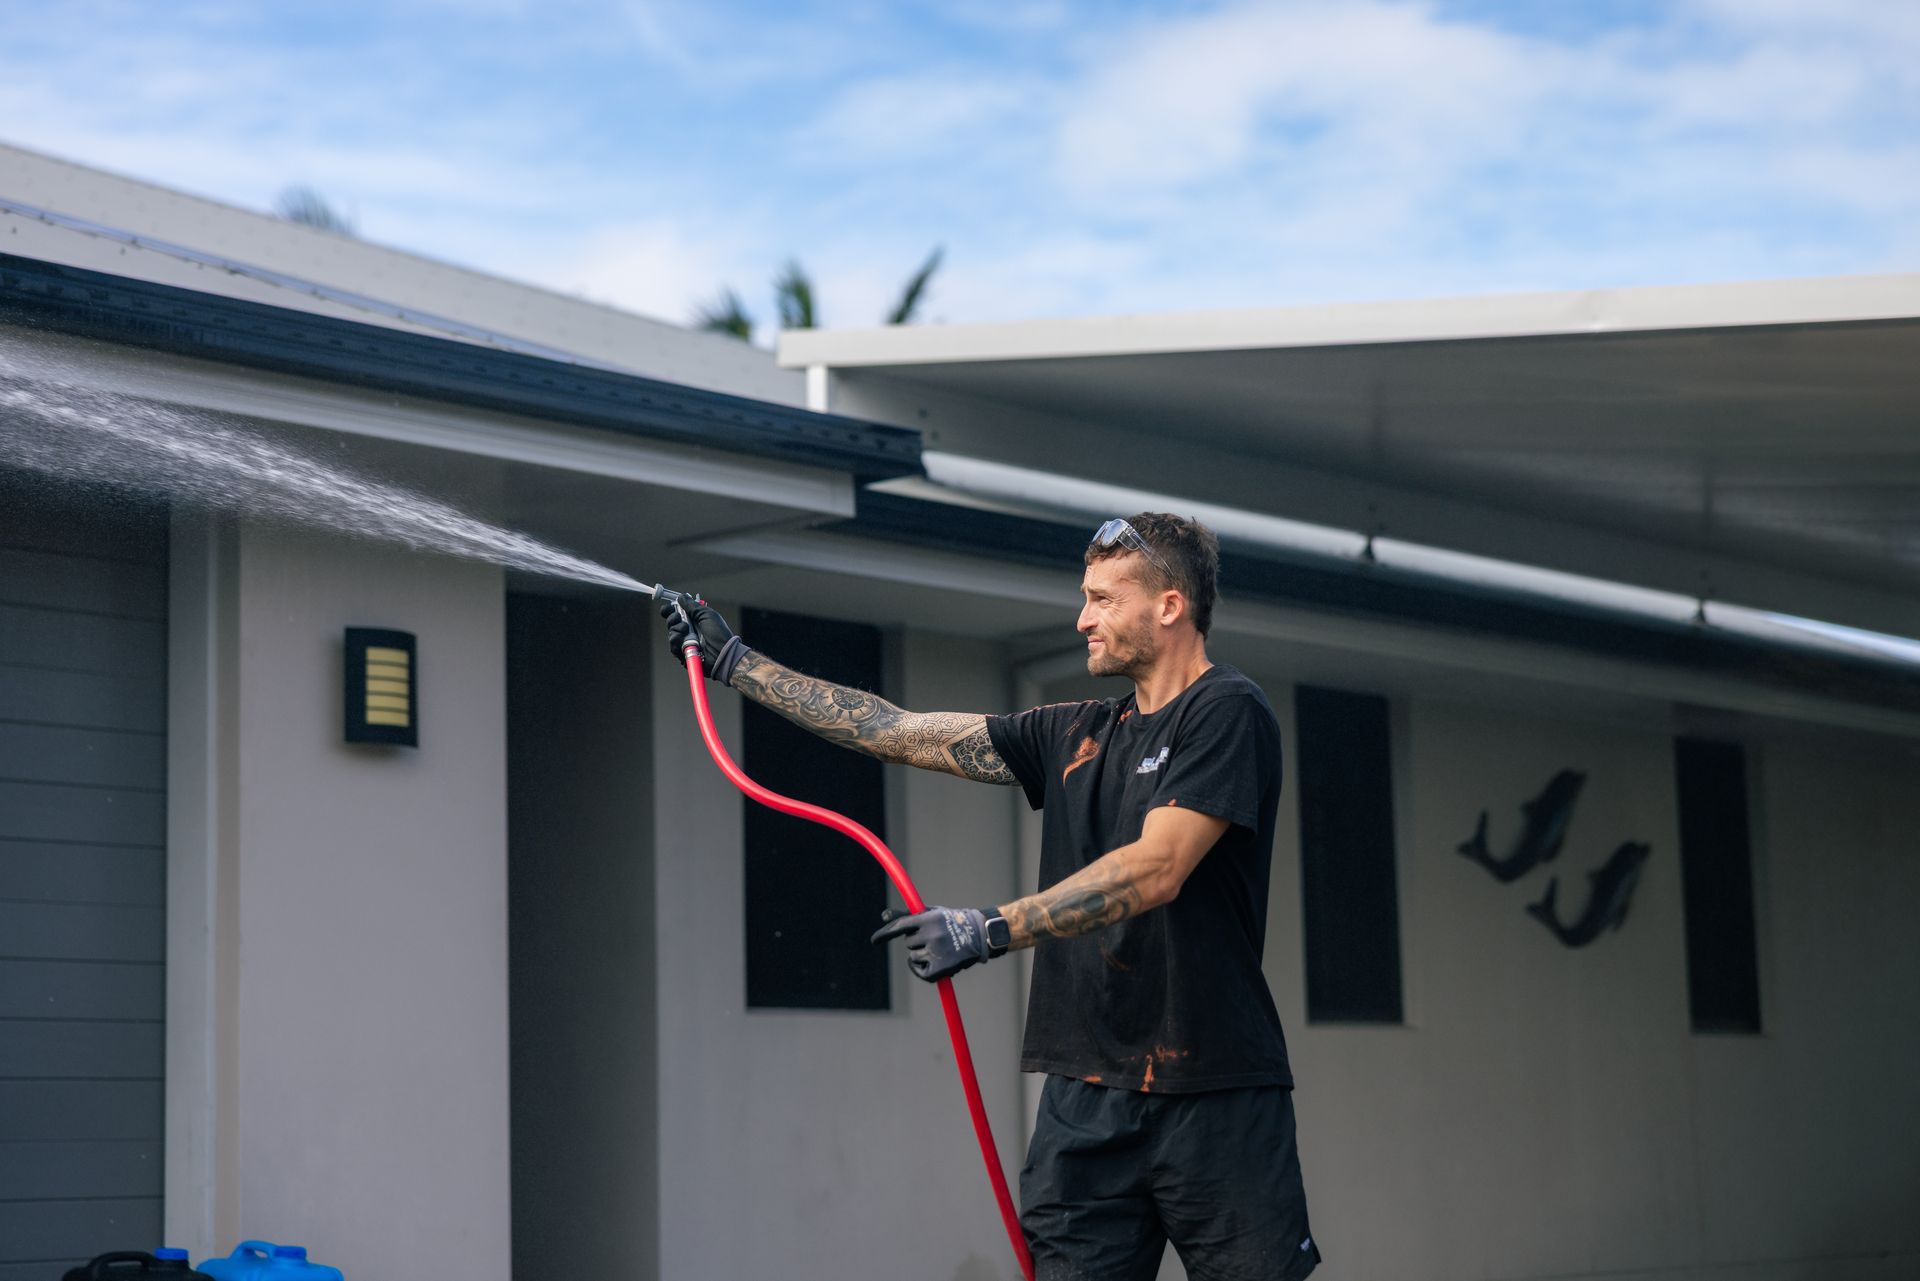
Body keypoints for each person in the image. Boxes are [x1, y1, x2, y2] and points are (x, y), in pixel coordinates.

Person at [663, 512, 1319, 1281]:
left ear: (1170, 605)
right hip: (1085, 1097)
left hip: (1215, 1093)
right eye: (1085, 596)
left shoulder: (1228, 711)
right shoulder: (1074, 733)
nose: (1083, 618)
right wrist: (738, 662)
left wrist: (987, 928)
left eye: (1104, 599)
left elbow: (1157, 868)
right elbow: (895, 730)